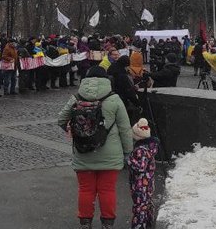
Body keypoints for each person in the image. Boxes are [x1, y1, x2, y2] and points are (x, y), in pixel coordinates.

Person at [57, 66, 133, 229]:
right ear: (106, 80)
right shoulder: (114, 99)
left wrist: (78, 132)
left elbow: (61, 119)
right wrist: (128, 151)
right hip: (110, 154)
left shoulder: (76, 97)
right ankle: (107, 223)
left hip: (83, 151)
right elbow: (125, 128)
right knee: (107, 190)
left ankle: (85, 223)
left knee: (86, 190)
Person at [128, 118, 159, 229]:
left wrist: (129, 160)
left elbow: (141, 167)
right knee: (146, 205)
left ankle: (139, 226)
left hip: (140, 184)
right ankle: (148, 224)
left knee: (139, 208)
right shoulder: (150, 147)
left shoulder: (140, 150)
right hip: (148, 182)